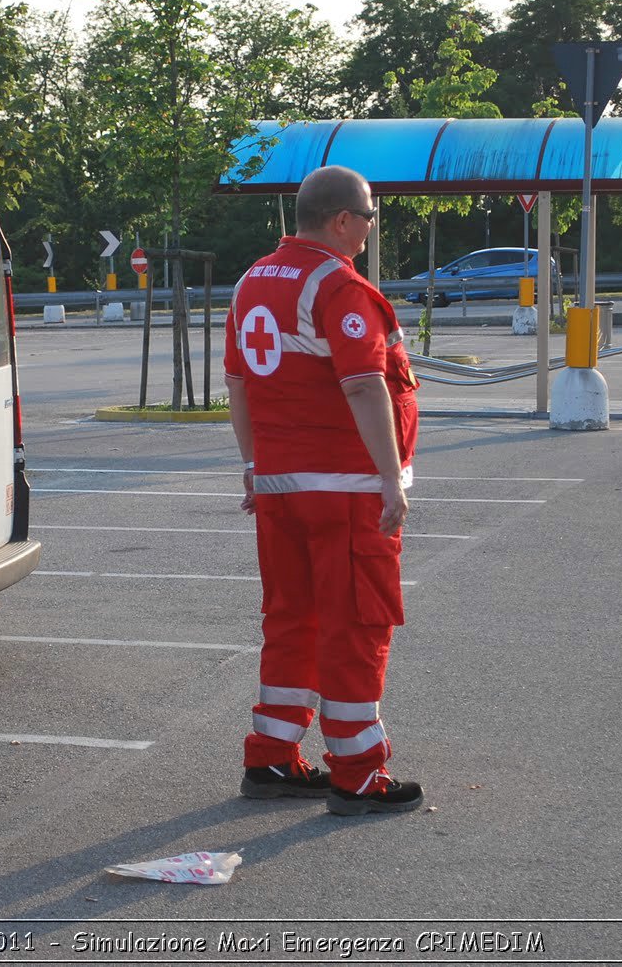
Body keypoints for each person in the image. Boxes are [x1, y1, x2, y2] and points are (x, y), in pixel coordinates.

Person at [223, 165, 423, 817]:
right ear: (342, 221)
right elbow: (365, 385)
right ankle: (359, 774)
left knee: (292, 621)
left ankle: (273, 755)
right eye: (368, 216)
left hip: (280, 487)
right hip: (344, 488)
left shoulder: (252, 280)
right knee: (354, 627)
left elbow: (240, 385)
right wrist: (391, 480)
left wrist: (253, 468)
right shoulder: (338, 285)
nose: (369, 228)